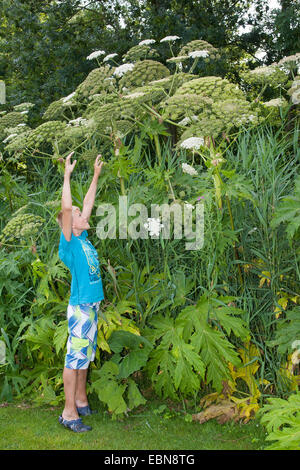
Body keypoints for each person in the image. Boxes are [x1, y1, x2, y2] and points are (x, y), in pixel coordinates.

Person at [56, 151, 104, 432]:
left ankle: (81, 399)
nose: (82, 214)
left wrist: (95, 175)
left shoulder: (83, 236)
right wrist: (66, 175)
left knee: (85, 356)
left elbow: (87, 202)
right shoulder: (71, 243)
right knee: (74, 359)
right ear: (69, 225)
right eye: (76, 215)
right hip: (81, 308)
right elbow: (68, 206)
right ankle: (69, 412)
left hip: (92, 305)